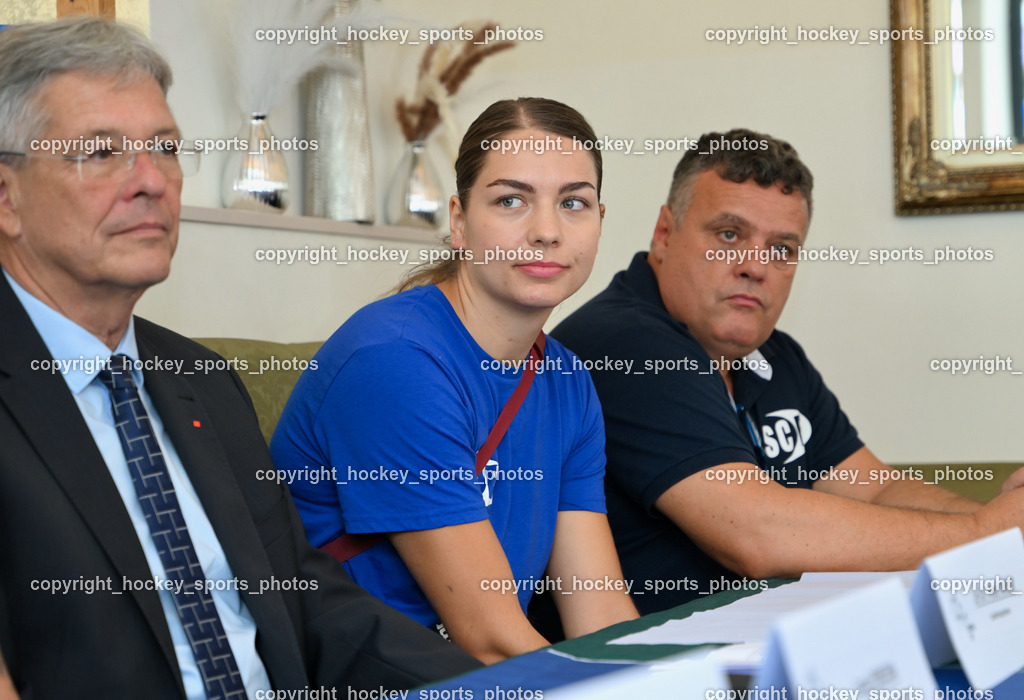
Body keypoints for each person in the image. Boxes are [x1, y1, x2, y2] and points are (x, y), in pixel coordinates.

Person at [0, 17, 479, 698]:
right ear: (5, 198)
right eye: (101, 152)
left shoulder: (202, 383)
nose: (151, 182)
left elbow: (312, 605)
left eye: (165, 148)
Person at [551, 128, 1024, 614]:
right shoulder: (625, 343)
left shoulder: (775, 356)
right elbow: (759, 534)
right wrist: (986, 533)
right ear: (665, 234)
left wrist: (1002, 521)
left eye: (781, 248)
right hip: (640, 671)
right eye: (729, 234)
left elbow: (877, 489)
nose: (755, 266)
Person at [271, 97, 639, 664]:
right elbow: (490, 638)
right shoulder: (396, 362)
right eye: (511, 200)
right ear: (460, 221)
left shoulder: (567, 380)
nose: (547, 231)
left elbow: (600, 612)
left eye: (574, 203)